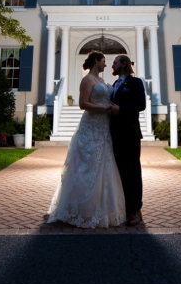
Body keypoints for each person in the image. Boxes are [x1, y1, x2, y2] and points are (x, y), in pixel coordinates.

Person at [46, 52, 126, 228]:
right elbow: (83, 104)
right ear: (96, 61)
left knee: (104, 165)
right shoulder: (87, 80)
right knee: (87, 166)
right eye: (104, 61)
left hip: (104, 127)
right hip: (91, 126)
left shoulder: (104, 81)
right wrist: (104, 107)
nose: (106, 65)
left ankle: (103, 209)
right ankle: (80, 209)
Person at [109, 54, 146, 226]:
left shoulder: (135, 82)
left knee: (132, 172)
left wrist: (121, 109)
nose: (112, 66)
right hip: (115, 134)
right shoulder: (115, 84)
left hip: (130, 134)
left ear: (123, 64)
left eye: (115, 63)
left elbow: (141, 104)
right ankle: (125, 208)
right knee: (121, 172)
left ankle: (136, 210)